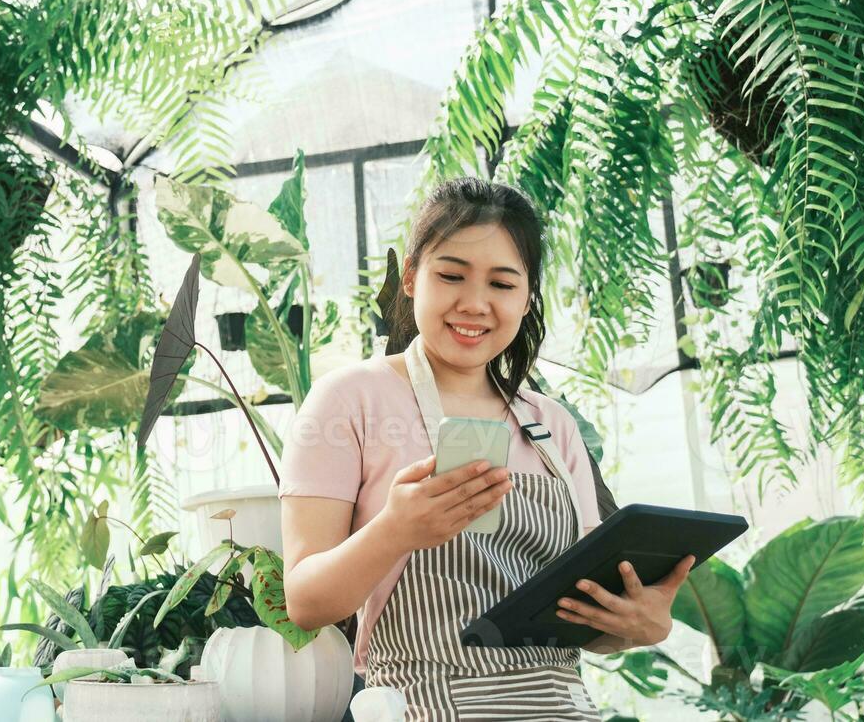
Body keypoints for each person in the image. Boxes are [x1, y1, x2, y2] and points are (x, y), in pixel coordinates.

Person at [279, 177, 693, 720]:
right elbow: (306, 603)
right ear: (410, 278)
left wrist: (638, 625)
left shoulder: (551, 425)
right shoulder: (350, 399)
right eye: (451, 275)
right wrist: (395, 531)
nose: (474, 304)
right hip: (422, 705)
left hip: (562, 707)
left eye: (502, 283)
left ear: (527, 298)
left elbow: (579, 614)